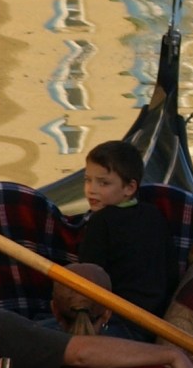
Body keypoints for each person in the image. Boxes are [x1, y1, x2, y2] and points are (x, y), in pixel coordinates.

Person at [62, 138, 177, 335]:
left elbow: (88, 279)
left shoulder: (101, 222)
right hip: (153, 322)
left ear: (130, 188)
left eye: (103, 183)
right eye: (88, 180)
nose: (92, 189)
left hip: (114, 322)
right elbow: (172, 271)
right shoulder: (155, 215)